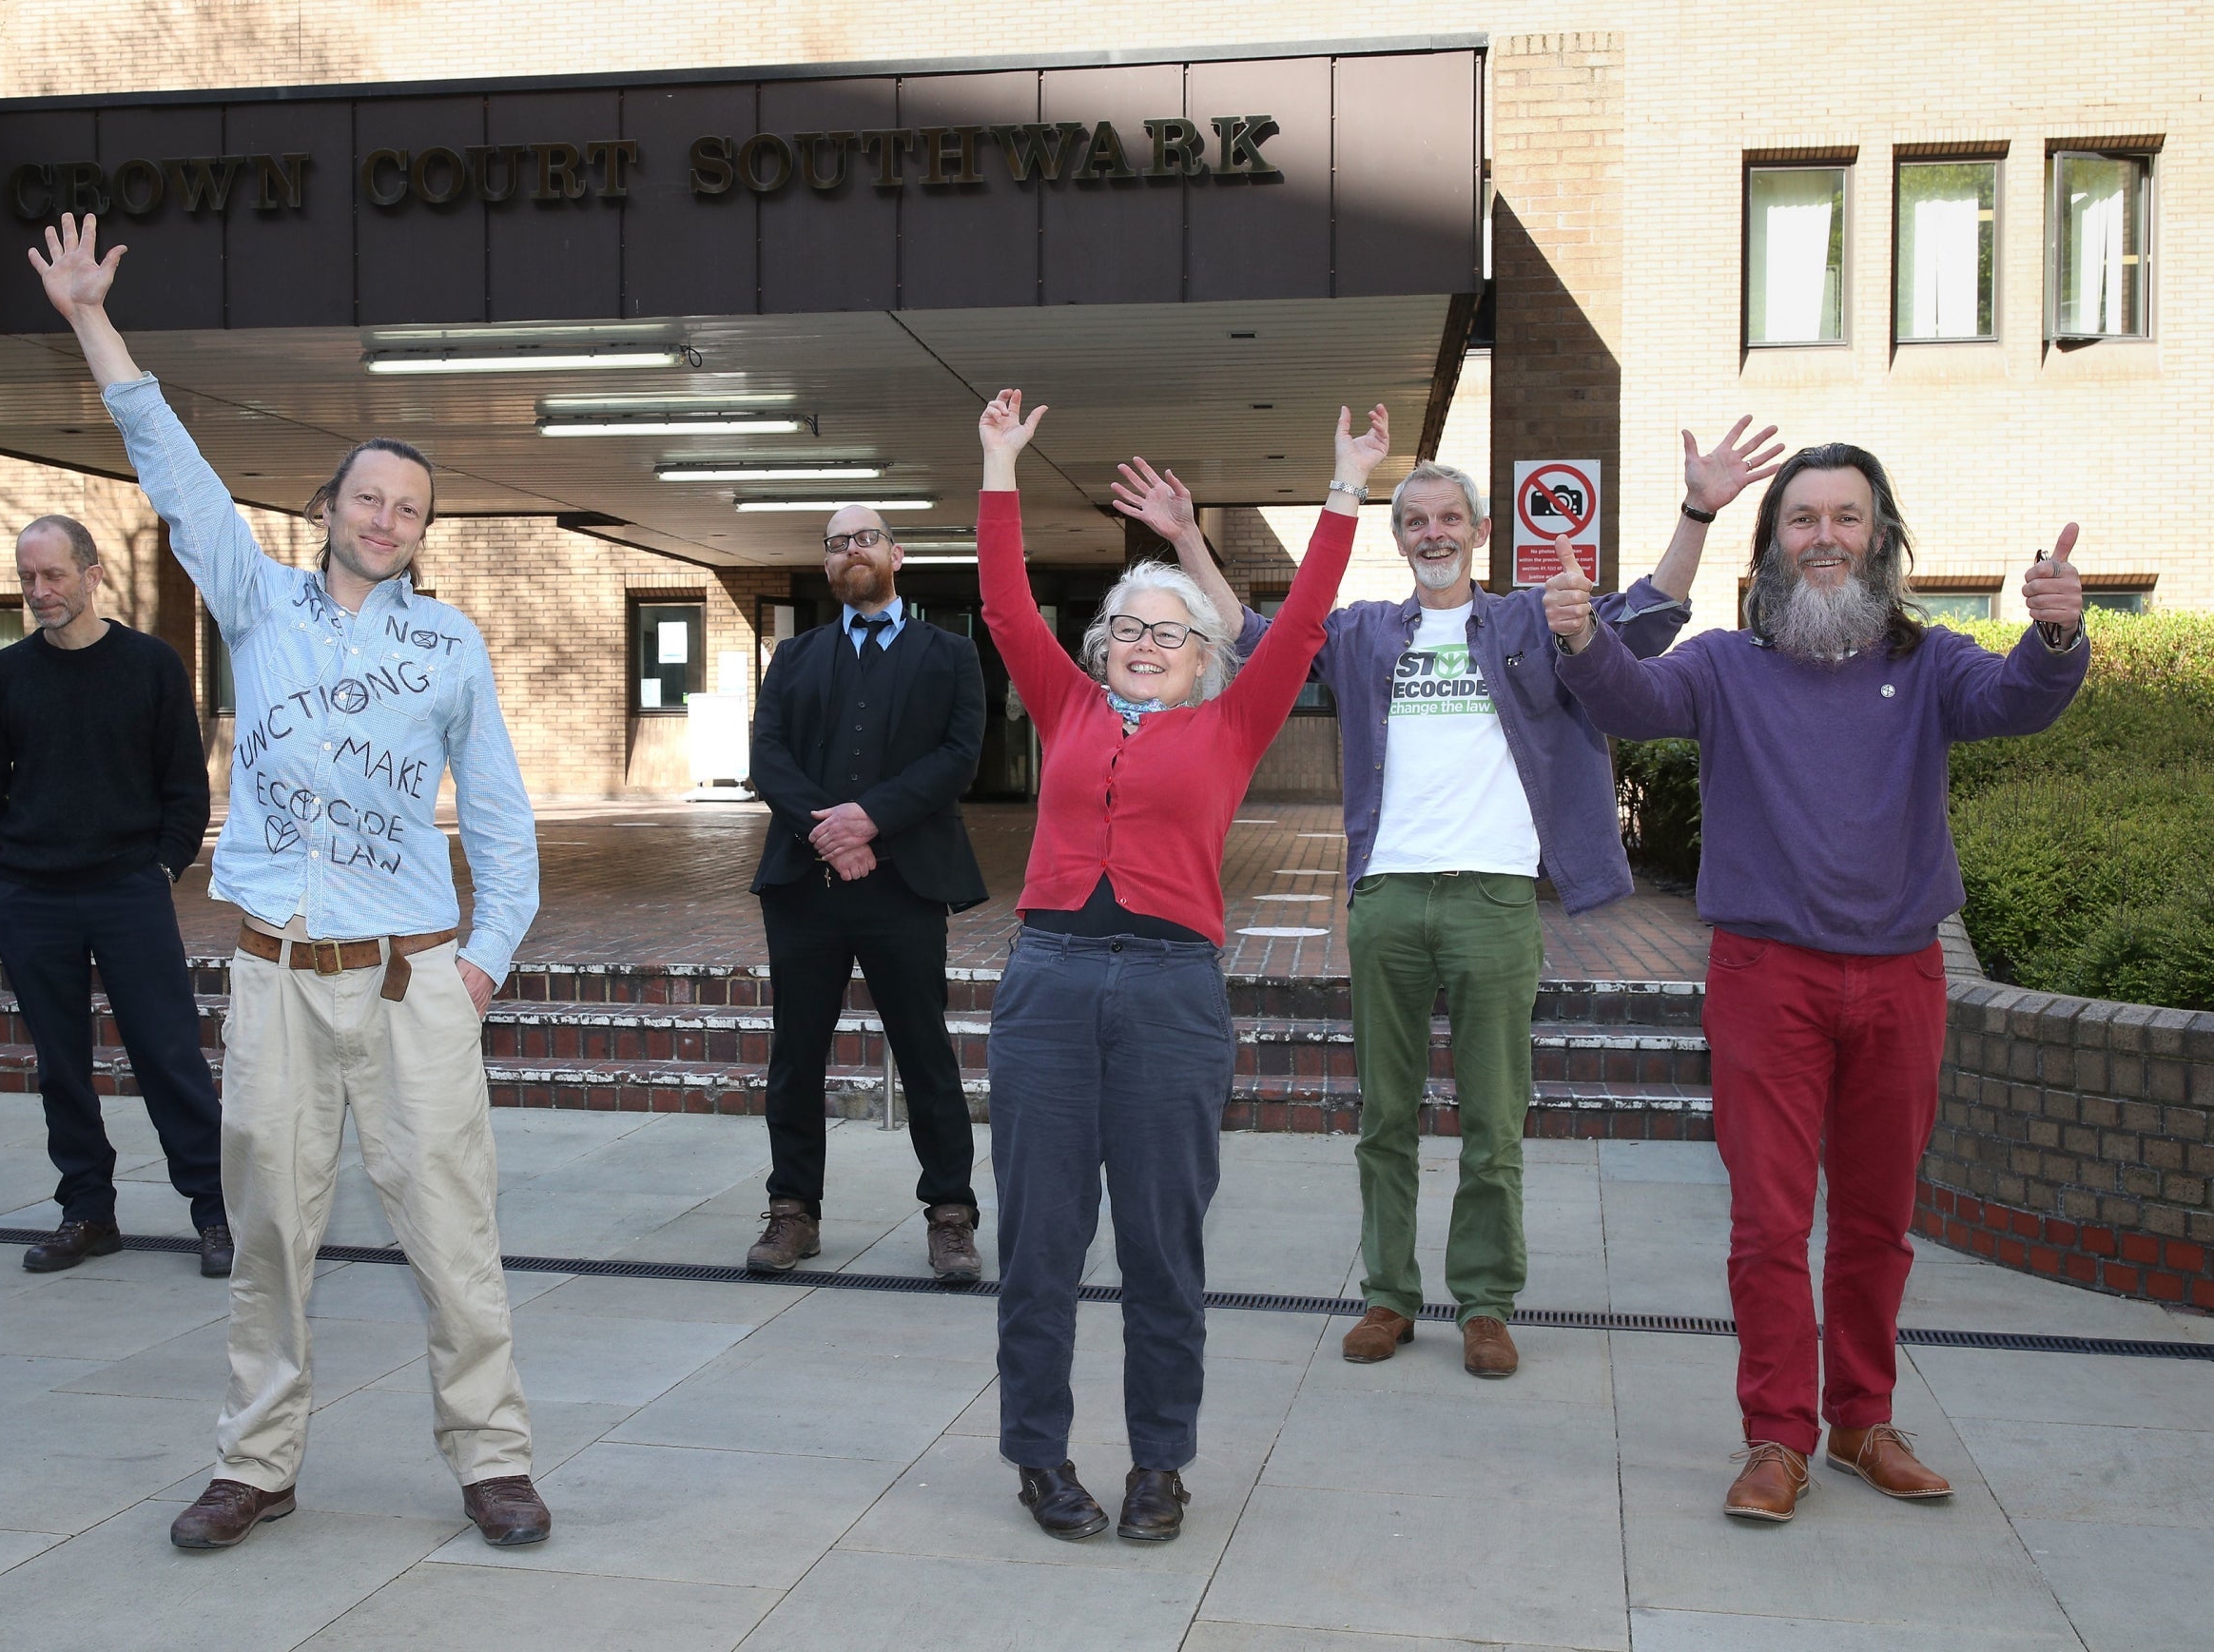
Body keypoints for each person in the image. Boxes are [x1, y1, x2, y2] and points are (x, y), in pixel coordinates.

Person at [29, 214, 548, 1552]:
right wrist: (92, 319)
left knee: (456, 1236)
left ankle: (492, 1458)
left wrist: (482, 959)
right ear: (329, 508)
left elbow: (498, 818)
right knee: (267, 1237)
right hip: (274, 977)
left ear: (427, 531)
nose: (388, 519)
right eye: (370, 497)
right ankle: (256, 1464)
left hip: (413, 982)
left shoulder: (449, 644)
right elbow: (168, 461)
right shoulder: (256, 604)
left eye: (412, 509)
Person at [1143, 420, 1782, 1377]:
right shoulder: (1362, 633)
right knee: (1384, 1117)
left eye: (1449, 517)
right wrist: (1190, 536)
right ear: (1396, 538)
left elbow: (1649, 615)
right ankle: (1388, 1297)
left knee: (1493, 1120)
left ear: (1478, 534)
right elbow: (1257, 638)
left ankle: (1484, 1303)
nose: (1432, 532)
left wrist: (1696, 510)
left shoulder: (1529, 621)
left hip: (1493, 902)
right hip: (1389, 899)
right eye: (1414, 520)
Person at [1544, 444, 2088, 1522]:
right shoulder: (1723, 666)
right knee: (1767, 1224)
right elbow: (1634, 697)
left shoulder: (1934, 663)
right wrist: (1578, 633)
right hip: (1765, 977)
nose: (1826, 536)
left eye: (1847, 517)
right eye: (1803, 520)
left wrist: (2059, 630)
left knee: (1880, 1222)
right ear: (1773, 543)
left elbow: (2019, 699)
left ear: (1881, 536)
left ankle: (1859, 1421)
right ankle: (1775, 1436)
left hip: (1900, 978)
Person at [978, 387, 1389, 1545]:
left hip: (1169, 996)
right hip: (1049, 983)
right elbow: (1007, 609)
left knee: (1163, 1243)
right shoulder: (1063, 707)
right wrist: (1000, 465)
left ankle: (1160, 1463)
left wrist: (1345, 487)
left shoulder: (1232, 721)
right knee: (1042, 1241)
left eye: (1169, 630)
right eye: (1128, 630)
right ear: (1101, 650)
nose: (1145, 645)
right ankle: (1040, 1457)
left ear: (1206, 655)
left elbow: (1305, 619)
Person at [0, 513, 229, 1279]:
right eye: (26, 579)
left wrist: (160, 869)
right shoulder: (3, 676)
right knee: (62, 1065)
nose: (39, 591)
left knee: (169, 1054)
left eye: (52, 575)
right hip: (32, 900)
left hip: (126, 892)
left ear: (92, 574)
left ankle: (215, 1212)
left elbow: (185, 790)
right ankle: (88, 1212)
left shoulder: (150, 665)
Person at [746, 506, 991, 1279]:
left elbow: (959, 756)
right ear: (826, 566)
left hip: (905, 887)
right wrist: (830, 832)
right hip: (804, 887)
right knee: (796, 1056)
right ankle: (793, 1212)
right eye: (837, 542)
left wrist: (869, 821)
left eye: (867, 537)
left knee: (924, 1054)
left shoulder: (951, 654)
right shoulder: (793, 657)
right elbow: (768, 755)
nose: (852, 550)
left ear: (897, 554)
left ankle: (950, 1214)